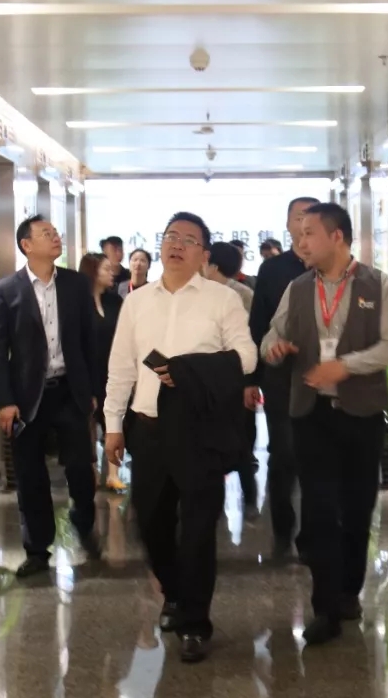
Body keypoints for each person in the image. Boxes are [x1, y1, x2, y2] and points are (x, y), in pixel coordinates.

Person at [104, 211, 257, 664]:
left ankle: (194, 621)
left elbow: (247, 356)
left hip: (198, 431)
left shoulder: (222, 299)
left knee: (198, 530)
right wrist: (113, 424)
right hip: (148, 429)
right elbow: (121, 367)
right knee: (150, 523)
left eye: (189, 240)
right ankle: (173, 591)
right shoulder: (136, 301)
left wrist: (190, 370)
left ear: (204, 254)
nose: (176, 244)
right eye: (171, 236)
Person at [261, 202, 388, 646]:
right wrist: (275, 348)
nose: (300, 242)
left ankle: (348, 592)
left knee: (357, 508)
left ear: (336, 237)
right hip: (312, 414)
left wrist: (344, 366)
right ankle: (324, 607)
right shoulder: (298, 287)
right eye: (298, 233)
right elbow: (271, 335)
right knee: (320, 509)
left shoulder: (379, 285)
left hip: (362, 414)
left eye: (309, 233)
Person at [0, 215, 101, 578]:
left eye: (55, 233)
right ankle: (37, 548)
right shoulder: (7, 290)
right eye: (46, 233)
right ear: (26, 245)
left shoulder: (75, 284)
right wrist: (5, 401)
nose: (55, 237)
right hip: (27, 397)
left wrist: (94, 390)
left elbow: (90, 340)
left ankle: (84, 517)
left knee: (80, 465)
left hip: (69, 389)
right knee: (30, 473)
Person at [248, 196, 318, 560]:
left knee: (318, 456)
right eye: (298, 217)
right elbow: (258, 323)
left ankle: (313, 533)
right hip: (280, 376)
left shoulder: (332, 267)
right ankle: (281, 529)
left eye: (311, 217)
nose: (304, 224)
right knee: (283, 453)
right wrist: (251, 378)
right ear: (289, 224)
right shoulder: (273, 270)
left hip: (324, 378)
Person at [203, 241, 258, 517]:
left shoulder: (242, 295)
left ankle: (249, 497)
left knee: (238, 439)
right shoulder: (201, 292)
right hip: (209, 378)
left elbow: (251, 337)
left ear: (213, 266)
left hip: (234, 378)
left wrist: (250, 382)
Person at [80, 252, 127, 492]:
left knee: (114, 421)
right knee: (87, 424)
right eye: (106, 269)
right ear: (93, 272)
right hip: (88, 371)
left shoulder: (114, 301)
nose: (112, 273)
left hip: (113, 371)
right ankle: (89, 471)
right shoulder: (79, 303)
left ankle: (113, 473)